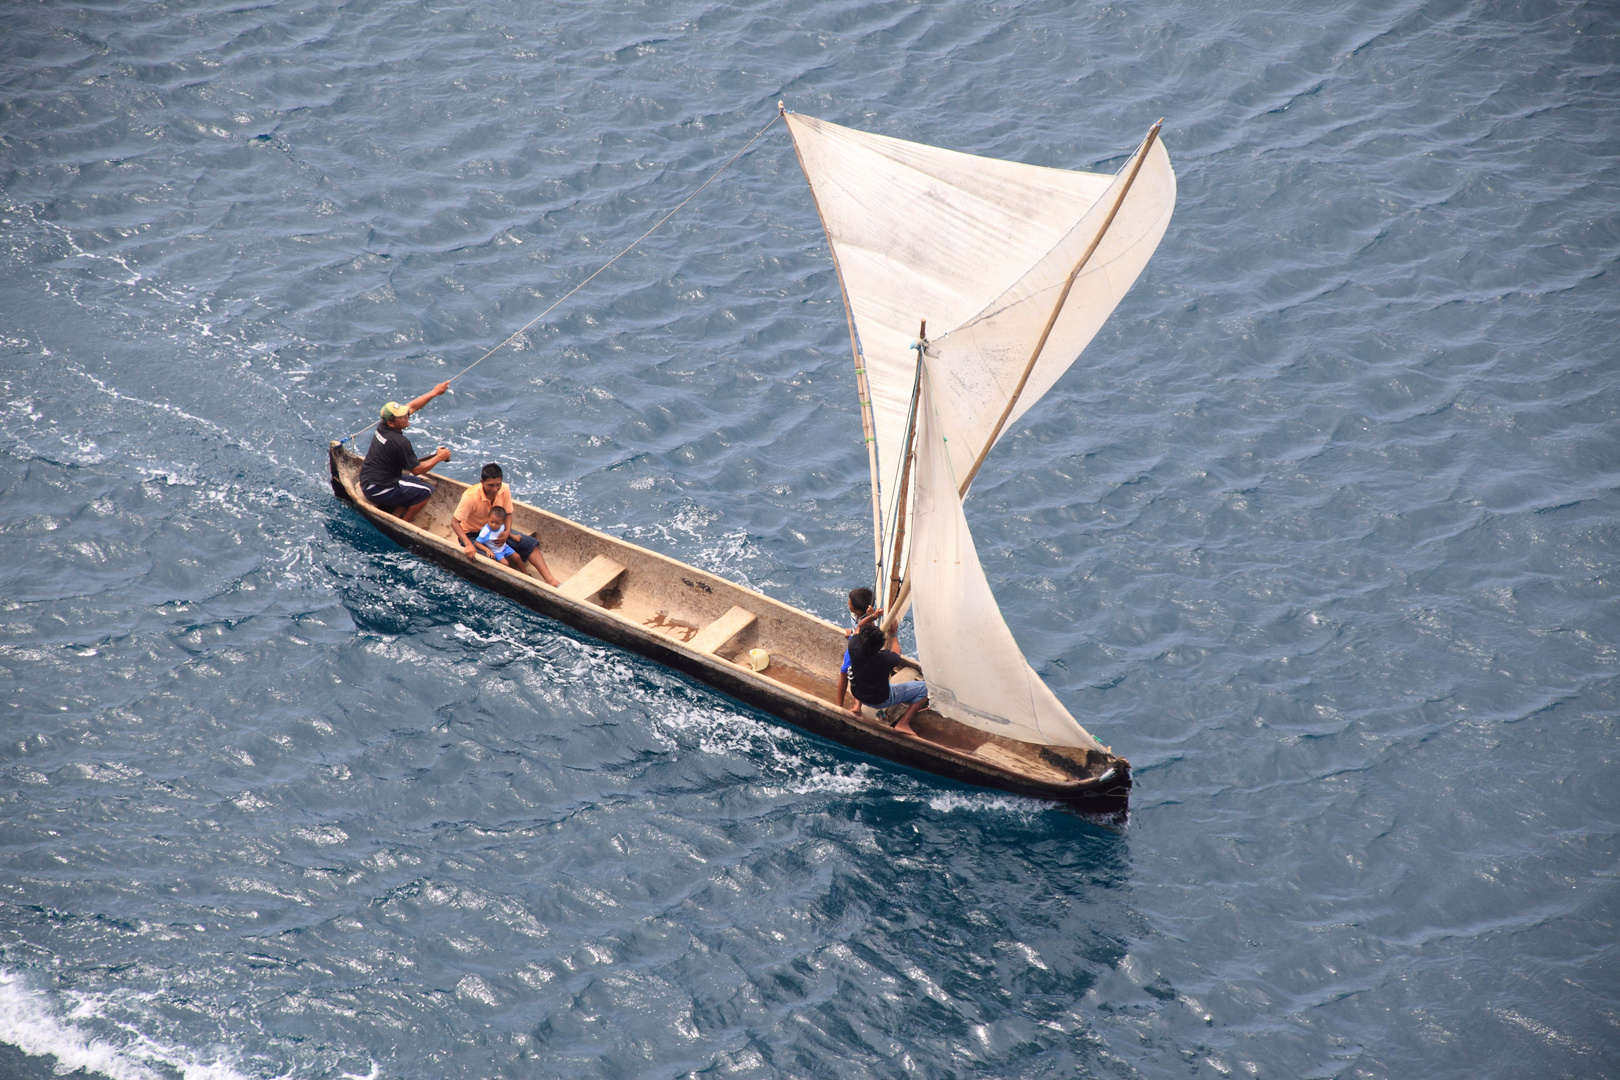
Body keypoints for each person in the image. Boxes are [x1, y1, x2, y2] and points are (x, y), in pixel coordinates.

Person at [451, 462, 561, 586]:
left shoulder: (504, 489)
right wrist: (467, 545)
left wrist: (507, 532)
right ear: (482, 482)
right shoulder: (470, 497)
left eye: (498, 485)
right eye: (490, 485)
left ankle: (550, 580)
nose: (494, 489)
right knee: (490, 560)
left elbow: (508, 514)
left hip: (496, 529)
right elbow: (455, 522)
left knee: (530, 543)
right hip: (473, 535)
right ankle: (516, 580)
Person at [358, 382, 452, 524]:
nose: (407, 416)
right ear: (391, 422)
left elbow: (413, 406)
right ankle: (403, 523)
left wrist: (434, 392)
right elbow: (417, 470)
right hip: (376, 488)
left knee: (417, 483)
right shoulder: (400, 442)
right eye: (402, 417)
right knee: (426, 490)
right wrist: (440, 457)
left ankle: (396, 514)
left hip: (368, 478)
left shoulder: (382, 426)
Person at [837, 623, 929, 738]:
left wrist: (872, 617)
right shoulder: (887, 659)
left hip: (858, 693)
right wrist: (894, 634)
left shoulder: (853, 646)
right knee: (926, 688)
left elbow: (858, 628)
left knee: (862, 675)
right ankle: (903, 724)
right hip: (880, 700)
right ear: (881, 644)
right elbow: (896, 651)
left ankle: (857, 706)